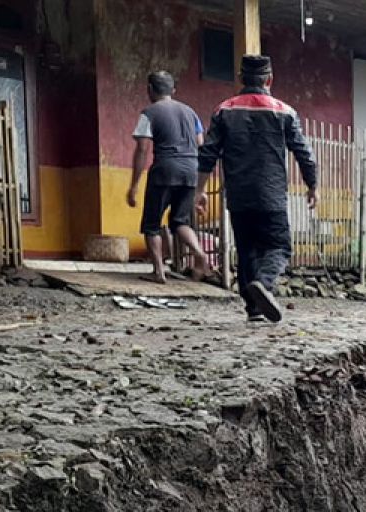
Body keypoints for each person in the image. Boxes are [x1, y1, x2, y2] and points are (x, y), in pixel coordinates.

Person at [196, 54, 318, 323]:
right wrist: (313, 186)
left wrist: (199, 190)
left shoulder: (224, 110)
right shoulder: (284, 112)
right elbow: (304, 153)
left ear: (241, 79)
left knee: (247, 249)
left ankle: (253, 309)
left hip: (239, 195)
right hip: (271, 193)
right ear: (269, 80)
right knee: (279, 246)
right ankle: (264, 283)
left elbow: (208, 153)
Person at [126, 71, 210, 284]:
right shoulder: (191, 113)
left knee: (152, 224)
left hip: (164, 170)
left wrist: (134, 185)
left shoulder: (149, 113)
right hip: (191, 170)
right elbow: (201, 144)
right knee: (180, 221)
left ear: (149, 90)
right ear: (173, 91)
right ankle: (200, 253)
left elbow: (143, 149)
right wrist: (202, 187)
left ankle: (159, 272)